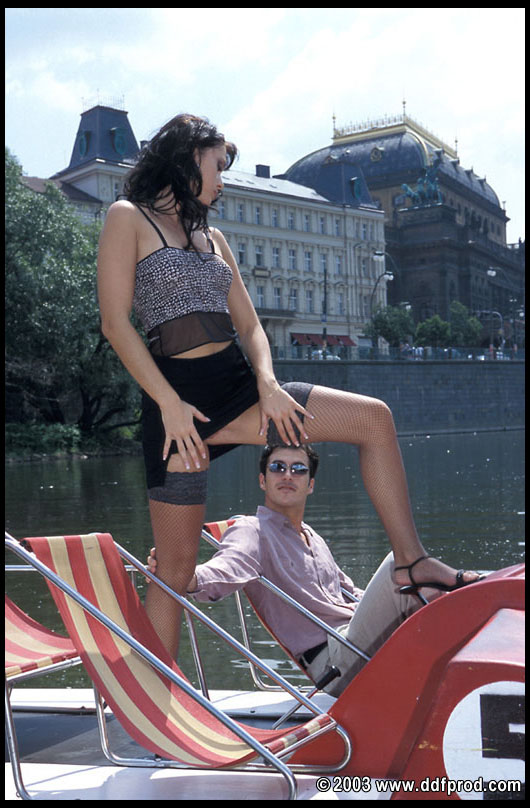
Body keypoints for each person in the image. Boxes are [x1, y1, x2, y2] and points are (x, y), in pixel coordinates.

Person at [97, 113, 481, 660]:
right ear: (187, 158)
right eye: (216, 167)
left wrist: (269, 383)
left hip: (240, 391)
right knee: (175, 573)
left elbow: (251, 326)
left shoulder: (214, 239)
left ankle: (411, 564)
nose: (222, 181)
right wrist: (168, 403)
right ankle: (154, 697)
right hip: (176, 411)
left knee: (374, 419)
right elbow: (116, 324)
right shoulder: (127, 217)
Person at [147, 444, 480, 697]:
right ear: (263, 480)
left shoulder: (313, 537)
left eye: (298, 469)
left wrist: (392, 601)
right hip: (333, 663)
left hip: (356, 639)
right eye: (277, 467)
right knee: (401, 565)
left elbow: (350, 593)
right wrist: (184, 575)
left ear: (310, 485)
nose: (287, 475)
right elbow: (226, 568)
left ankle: (472, 673)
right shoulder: (252, 530)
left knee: (432, 585)